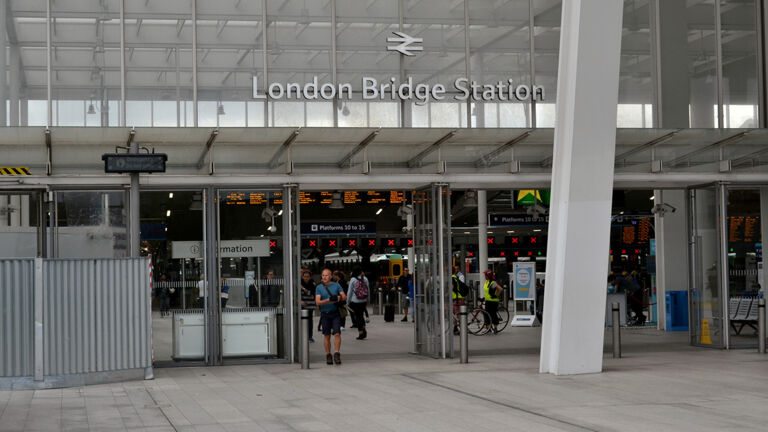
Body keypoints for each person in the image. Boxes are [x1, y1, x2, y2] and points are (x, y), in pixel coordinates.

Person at [315, 268, 347, 365]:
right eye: (323, 275)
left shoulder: (336, 285)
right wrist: (328, 300)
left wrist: (339, 297)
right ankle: (328, 355)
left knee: (337, 333)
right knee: (327, 335)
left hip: (335, 313)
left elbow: (344, 296)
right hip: (325, 314)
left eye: (326, 275)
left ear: (331, 276)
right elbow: (318, 302)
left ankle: (337, 353)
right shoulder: (319, 287)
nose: (324, 277)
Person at [347, 266, 369, 340]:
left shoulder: (353, 279)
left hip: (355, 301)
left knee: (358, 316)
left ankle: (361, 332)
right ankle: (363, 328)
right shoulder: (365, 278)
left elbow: (349, 292)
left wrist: (348, 301)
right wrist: (368, 300)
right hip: (363, 300)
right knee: (361, 315)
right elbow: (368, 290)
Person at [483, 269, 503, 333]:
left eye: (485, 275)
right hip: (488, 301)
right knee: (486, 314)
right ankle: (488, 328)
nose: (484, 276)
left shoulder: (493, 282)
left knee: (493, 314)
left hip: (493, 301)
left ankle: (495, 328)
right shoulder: (487, 282)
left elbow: (500, 289)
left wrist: (496, 295)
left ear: (488, 276)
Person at [300, 270, 317, 343]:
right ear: (302, 276)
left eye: (308, 276)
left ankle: (310, 336)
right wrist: (300, 301)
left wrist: (303, 288)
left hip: (310, 305)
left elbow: (311, 293)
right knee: (301, 321)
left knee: (310, 321)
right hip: (302, 305)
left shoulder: (312, 284)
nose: (306, 278)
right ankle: (302, 336)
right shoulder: (299, 283)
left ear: (310, 277)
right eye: (305, 276)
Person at [451, 268, 467, 334]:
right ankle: (455, 328)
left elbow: (451, 287)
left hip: (457, 298)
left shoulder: (452, 278)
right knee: (455, 314)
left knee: (458, 314)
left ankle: (463, 328)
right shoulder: (455, 277)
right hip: (457, 297)